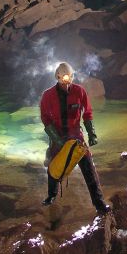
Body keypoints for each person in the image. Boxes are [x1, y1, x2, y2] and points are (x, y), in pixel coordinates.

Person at [40, 62, 110, 213]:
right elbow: (45, 118)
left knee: (89, 169)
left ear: (72, 76)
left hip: (76, 136)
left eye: (69, 77)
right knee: (53, 167)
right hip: (58, 136)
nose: (66, 81)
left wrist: (92, 134)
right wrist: (57, 140)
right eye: (63, 77)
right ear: (57, 77)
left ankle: (99, 204)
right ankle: (51, 195)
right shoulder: (48, 95)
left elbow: (88, 113)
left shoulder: (79, 91)